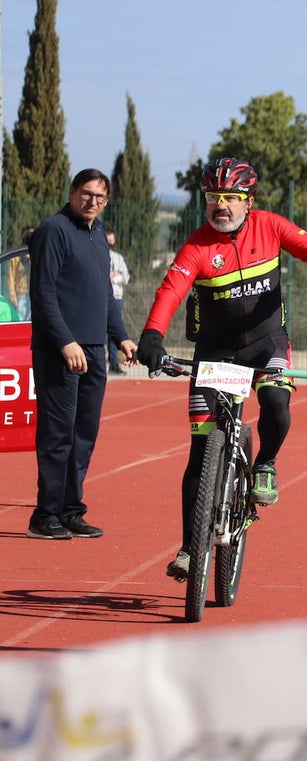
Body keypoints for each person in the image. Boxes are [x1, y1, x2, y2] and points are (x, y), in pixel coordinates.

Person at [134, 157, 307, 580]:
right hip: (215, 352)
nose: (221, 205)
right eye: (213, 196)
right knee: (199, 454)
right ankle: (190, 547)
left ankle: (265, 463)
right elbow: (170, 291)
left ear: (249, 200)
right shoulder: (197, 246)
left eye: (231, 197)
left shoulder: (271, 226)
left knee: (276, 401)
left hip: (267, 345)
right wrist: (152, 335)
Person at [26, 169, 138, 540]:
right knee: (58, 435)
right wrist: (65, 342)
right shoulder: (53, 230)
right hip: (60, 350)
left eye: (100, 197)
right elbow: (42, 293)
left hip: (93, 349)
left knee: (83, 434)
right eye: (87, 193)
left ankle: (71, 510)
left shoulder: (98, 236)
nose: (93, 201)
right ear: (72, 192)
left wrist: (121, 338)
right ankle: (45, 516)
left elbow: (105, 295)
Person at [105, 226, 130, 374]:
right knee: (99, 332)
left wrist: (116, 276)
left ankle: (114, 363)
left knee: (114, 332)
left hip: (116, 298)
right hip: (101, 298)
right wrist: (108, 276)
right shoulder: (97, 254)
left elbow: (126, 277)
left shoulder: (118, 258)